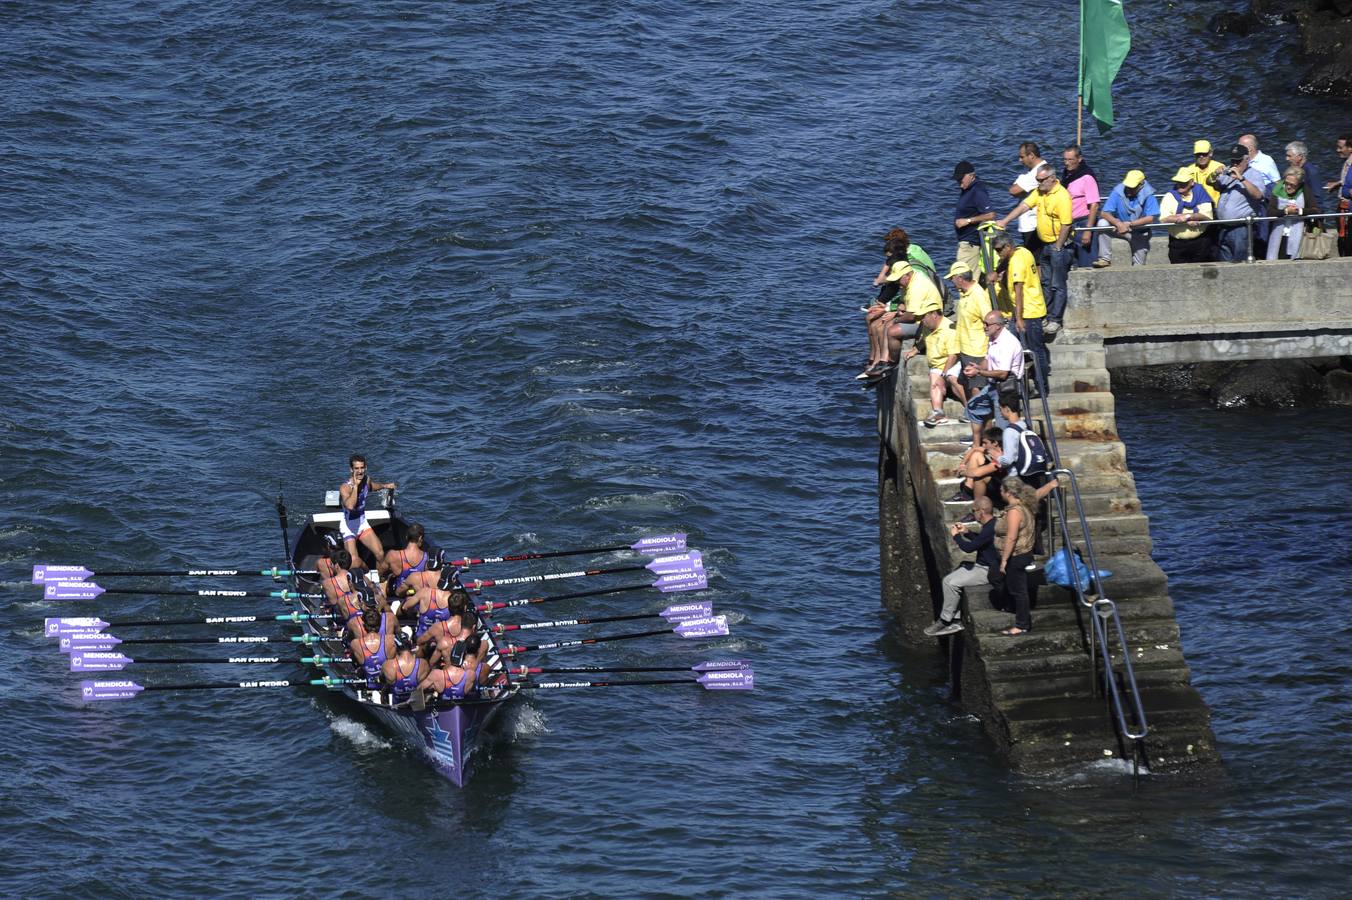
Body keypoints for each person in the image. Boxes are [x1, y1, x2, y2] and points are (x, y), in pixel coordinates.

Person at [995, 163, 1072, 336]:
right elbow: (1024, 206)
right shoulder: (1040, 192)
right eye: (1037, 180)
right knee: (1044, 281)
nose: (1039, 184)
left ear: (1052, 178)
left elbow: (1066, 224)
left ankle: (1055, 320)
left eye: (1041, 180)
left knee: (1057, 284)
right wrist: (1005, 221)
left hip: (1057, 246)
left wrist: (1058, 246)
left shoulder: (1062, 196)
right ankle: (1043, 314)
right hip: (1044, 245)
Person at [925, 496, 1000, 637]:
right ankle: (955, 618)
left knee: (949, 582)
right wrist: (968, 533)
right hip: (984, 565)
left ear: (981, 511)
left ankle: (946, 621)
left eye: (974, 511)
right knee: (956, 573)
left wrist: (956, 536)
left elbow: (969, 548)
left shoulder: (990, 528)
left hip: (986, 570)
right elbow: (981, 542)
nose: (973, 514)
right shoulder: (992, 524)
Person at [989, 232, 1049, 396]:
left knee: (1036, 351)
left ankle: (1041, 387)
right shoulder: (1023, 251)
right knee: (1019, 347)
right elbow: (1005, 261)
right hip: (1030, 308)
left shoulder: (1016, 262)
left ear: (1008, 247)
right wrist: (997, 271)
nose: (998, 254)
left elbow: (1019, 290)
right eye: (995, 251)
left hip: (1028, 312)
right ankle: (1018, 383)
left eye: (999, 250)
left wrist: (1020, 318)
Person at [961, 311, 1024, 446]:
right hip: (993, 385)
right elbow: (988, 360)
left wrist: (979, 372)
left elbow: (1003, 373)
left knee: (1002, 428)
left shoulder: (1007, 343)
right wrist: (977, 367)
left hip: (1005, 388)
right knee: (973, 407)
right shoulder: (993, 338)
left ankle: (1003, 454)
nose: (984, 326)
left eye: (987, 324)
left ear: (997, 326)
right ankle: (977, 446)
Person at [992, 478, 1039, 636]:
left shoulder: (1015, 511)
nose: (1000, 493)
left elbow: (1011, 537)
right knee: (1001, 580)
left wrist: (1004, 560)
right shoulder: (1024, 506)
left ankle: (1022, 624)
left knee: (1019, 591)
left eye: (1001, 490)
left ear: (1009, 492)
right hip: (1023, 554)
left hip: (1016, 555)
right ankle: (1015, 612)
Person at [946, 263, 993, 407]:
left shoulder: (978, 296)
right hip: (965, 348)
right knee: (958, 380)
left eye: (952, 278)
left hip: (976, 350)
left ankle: (979, 415)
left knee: (975, 386)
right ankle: (972, 410)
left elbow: (989, 321)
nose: (951, 282)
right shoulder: (964, 294)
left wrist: (988, 350)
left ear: (960, 278)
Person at [903, 308, 958, 427]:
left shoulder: (949, 329)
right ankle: (938, 412)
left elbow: (953, 356)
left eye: (924, 317)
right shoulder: (928, 326)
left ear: (934, 315)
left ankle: (968, 409)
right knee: (934, 380)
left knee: (941, 382)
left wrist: (942, 376)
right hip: (936, 365)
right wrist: (915, 350)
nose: (922, 320)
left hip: (950, 364)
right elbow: (925, 339)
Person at [339, 455, 397, 569]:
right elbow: (350, 505)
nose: (360, 471)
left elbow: (372, 486)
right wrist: (356, 486)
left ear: (365, 468)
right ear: (351, 470)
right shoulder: (345, 487)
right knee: (354, 562)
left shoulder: (366, 480)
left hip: (362, 524)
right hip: (348, 527)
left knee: (380, 554)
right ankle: (365, 574)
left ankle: (379, 579)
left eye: (362, 468)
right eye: (356, 468)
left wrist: (385, 486)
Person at [1094, 170, 1159, 267]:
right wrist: (1118, 223)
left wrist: (1130, 224)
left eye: (1132, 187)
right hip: (1120, 228)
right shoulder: (1118, 191)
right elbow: (1104, 213)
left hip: (1140, 232)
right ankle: (1104, 259)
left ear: (1141, 185)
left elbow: (1150, 218)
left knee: (1139, 267)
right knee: (1102, 223)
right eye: (1127, 186)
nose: (1129, 189)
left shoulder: (1148, 195)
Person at [1213, 144, 1267, 262]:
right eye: (1232, 161)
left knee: (1239, 263)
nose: (1235, 164)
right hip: (1224, 227)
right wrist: (1215, 174)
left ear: (1246, 159)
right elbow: (1213, 185)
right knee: (1224, 264)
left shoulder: (1255, 174)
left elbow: (1258, 195)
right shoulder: (1228, 172)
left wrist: (1241, 178)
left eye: (1238, 161)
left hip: (1241, 229)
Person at [1159, 168, 1214, 264]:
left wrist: (1188, 216)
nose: (1180, 184)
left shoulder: (1201, 194)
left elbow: (1207, 216)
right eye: (1178, 182)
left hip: (1200, 242)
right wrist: (1183, 220)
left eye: (1184, 182)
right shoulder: (1169, 196)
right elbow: (1164, 219)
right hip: (1177, 244)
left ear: (1192, 182)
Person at [1060, 144, 1102, 269]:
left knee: (1086, 264)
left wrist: (1088, 231)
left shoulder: (1087, 177)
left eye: (1070, 160)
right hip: (1070, 224)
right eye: (1065, 159)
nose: (1067, 163)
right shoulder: (1067, 176)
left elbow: (1094, 204)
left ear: (1079, 159)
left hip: (1083, 223)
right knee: (1073, 264)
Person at [953, 161, 995, 275]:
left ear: (971, 176)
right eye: (957, 180)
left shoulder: (977, 191)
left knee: (963, 279)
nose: (959, 183)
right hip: (966, 243)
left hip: (970, 245)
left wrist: (967, 221)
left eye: (961, 179)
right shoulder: (968, 190)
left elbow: (990, 215)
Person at [418, 632, 485, 702]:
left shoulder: (437, 674)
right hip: (460, 709)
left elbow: (417, 691)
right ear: (465, 656)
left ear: (450, 656)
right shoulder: (471, 675)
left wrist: (433, 689)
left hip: (441, 710)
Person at [1008, 142, 1048, 250]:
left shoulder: (1040, 171)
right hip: (1029, 223)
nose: (1020, 160)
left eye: (1022, 157)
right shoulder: (1031, 172)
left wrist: (1020, 181)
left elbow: (1013, 190)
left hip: (1034, 224)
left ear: (1031, 155)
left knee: (1037, 260)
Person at [949, 426, 1004, 504]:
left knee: (979, 477)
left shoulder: (1001, 457)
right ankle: (968, 487)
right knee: (977, 454)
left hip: (1001, 490)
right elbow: (975, 449)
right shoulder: (991, 451)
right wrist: (962, 464)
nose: (983, 445)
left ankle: (977, 505)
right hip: (994, 480)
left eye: (985, 443)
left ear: (995, 443)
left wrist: (961, 472)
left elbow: (976, 473)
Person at [350, 606, 396, 689]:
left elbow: (354, 662)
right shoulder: (392, 640)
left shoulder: (355, 644)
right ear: (380, 623)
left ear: (364, 625)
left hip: (369, 684)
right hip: (387, 684)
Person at [1267, 167, 1308, 260]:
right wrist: (1285, 211)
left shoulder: (1305, 190)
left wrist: (1299, 211)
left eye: (1292, 185)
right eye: (1286, 183)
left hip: (1298, 235)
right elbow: (1270, 212)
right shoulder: (1277, 190)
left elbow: (1316, 209)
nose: (1288, 187)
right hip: (1280, 235)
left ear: (1299, 184)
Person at [383, 522, 429, 595]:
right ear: (420, 538)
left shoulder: (393, 555)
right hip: (418, 595)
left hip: (399, 594)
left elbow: (380, 572)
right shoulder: (427, 557)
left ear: (406, 537)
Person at [1325, 135, 1352, 256]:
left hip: (1348, 207)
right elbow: (1347, 180)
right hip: (1344, 208)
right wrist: (1339, 183)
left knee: (1347, 241)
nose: (1338, 150)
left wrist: (1347, 190)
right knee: (1343, 239)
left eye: (1341, 147)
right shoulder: (1348, 162)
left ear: (1350, 148)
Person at [382, 637, 425, 704]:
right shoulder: (423, 663)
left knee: (385, 687)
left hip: (396, 704)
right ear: (411, 644)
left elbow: (381, 680)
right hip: (415, 704)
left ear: (395, 646)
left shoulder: (388, 664)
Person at [1284, 141, 1323, 216]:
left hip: (1307, 214)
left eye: (1289, 156)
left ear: (1300, 157)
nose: (1287, 159)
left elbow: (1317, 198)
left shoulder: (1311, 172)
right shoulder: (1292, 170)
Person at [1186, 140, 1225, 204]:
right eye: (1198, 154)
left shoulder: (1219, 167)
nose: (1201, 157)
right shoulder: (1189, 169)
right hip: (1196, 207)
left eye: (1204, 154)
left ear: (1211, 153)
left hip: (1215, 207)